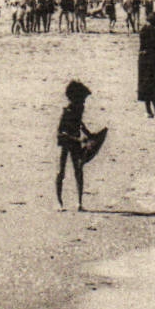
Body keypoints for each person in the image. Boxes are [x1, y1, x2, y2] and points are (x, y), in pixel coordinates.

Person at [55, 80, 97, 211]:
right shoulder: (68, 111)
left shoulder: (78, 108)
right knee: (64, 171)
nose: (84, 102)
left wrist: (88, 134)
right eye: (83, 99)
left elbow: (80, 123)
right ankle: (61, 202)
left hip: (74, 141)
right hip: (67, 142)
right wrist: (79, 138)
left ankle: (78, 202)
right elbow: (61, 131)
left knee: (76, 170)